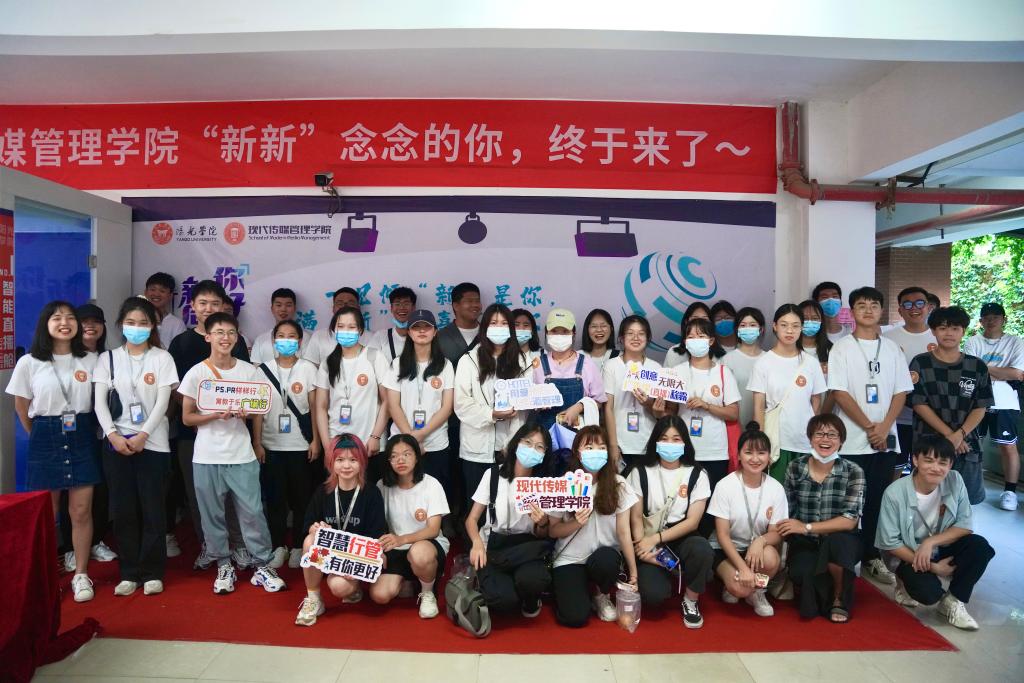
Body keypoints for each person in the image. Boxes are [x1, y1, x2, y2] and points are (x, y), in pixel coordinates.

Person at [178, 311, 286, 595]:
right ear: (208, 337)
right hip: (206, 456)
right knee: (212, 515)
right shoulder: (197, 373)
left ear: (237, 337)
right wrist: (214, 414)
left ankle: (262, 564)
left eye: (230, 333)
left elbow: (259, 410)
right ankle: (223, 564)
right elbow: (187, 417)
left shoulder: (249, 371)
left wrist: (254, 434)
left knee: (253, 512)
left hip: (242, 455)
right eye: (219, 332)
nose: (225, 338)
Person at [6, 301, 100, 602]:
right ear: (45, 325)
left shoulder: (91, 359)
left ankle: (81, 574)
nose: (64, 323)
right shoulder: (30, 362)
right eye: (57, 318)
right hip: (44, 433)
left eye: (70, 318)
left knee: (81, 510)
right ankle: (46, 576)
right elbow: (21, 405)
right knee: (48, 513)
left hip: (82, 432)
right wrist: (38, 434)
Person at [827, 286, 913, 586]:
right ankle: (846, 556)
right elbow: (839, 392)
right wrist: (869, 427)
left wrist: (884, 426)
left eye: (874, 305)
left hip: (885, 440)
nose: (868, 310)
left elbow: (901, 391)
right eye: (861, 305)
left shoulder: (892, 349)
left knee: (877, 499)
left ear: (881, 310)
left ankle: (872, 556)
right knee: (848, 502)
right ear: (852, 311)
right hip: (851, 440)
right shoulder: (841, 348)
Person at [93, 297, 178, 596]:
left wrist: (143, 435)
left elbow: (163, 403)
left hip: (152, 444)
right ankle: (129, 571)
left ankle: (152, 572)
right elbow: (99, 403)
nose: (137, 328)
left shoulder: (162, 358)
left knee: (153, 508)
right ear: (121, 325)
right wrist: (112, 435)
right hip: (116, 444)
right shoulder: (108, 359)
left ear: (153, 326)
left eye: (143, 323)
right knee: (123, 509)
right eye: (131, 322)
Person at [167, 279, 251, 570]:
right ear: (192, 306)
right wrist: (198, 413)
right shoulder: (181, 342)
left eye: (215, 303)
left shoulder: (236, 342)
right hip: (192, 432)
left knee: (233, 496)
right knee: (199, 495)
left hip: (232, 433)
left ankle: (238, 545)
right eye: (203, 303)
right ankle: (211, 546)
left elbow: (247, 387)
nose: (208, 308)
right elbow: (176, 387)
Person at [876, 436, 995, 631]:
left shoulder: (955, 480)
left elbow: (965, 525)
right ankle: (903, 582)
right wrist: (934, 568)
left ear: (950, 465)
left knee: (980, 547)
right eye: (929, 461)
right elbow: (889, 543)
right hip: (909, 552)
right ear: (915, 460)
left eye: (942, 463)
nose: (935, 468)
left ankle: (954, 600)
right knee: (928, 593)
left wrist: (930, 542)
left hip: (941, 546)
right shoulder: (895, 492)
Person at [627, 416, 713, 628]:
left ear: (685, 442)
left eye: (676, 439)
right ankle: (671, 572)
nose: (670, 444)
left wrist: (656, 539)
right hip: (647, 536)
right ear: (655, 442)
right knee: (654, 597)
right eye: (664, 439)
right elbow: (635, 517)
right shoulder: (640, 471)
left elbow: (692, 522)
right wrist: (642, 547)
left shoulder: (697, 474)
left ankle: (691, 600)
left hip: (681, 535)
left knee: (702, 549)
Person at [548, 426, 638, 628]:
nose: (595, 452)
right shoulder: (564, 484)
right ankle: (572, 591)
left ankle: (601, 594)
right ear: (577, 453)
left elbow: (624, 531)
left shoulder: (619, 484)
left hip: (603, 556)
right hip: (570, 558)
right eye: (589, 447)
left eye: (601, 447)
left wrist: (633, 572)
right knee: (575, 618)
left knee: (606, 560)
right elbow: (552, 530)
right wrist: (576, 523)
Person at [779, 414, 865, 623]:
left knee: (838, 545)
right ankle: (825, 586)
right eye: (819, 434)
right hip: (806, 541)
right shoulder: (795, 468)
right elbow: (788, 510)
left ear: (841, 441)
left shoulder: (853, 471)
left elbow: (849, 520)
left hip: (841, 540)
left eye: (832, 435)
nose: (825, 439)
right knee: (802, 574)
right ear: (810, 438)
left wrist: (806, 527)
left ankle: (839, 599)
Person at [295, 434, 387, 626]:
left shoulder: (371, 493)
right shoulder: (323, 491)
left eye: (353, 460)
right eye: (340, 460)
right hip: (330, 555)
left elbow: (377, 539)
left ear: (362, 462)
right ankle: (314, 599)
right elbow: (308, 524)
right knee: (310, 541)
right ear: (331, 462)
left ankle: (355, 586)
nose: (346, 466)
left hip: (357, 556)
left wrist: (355, 565)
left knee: (339, 587)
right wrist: (316, 528)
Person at [252, 319, 320, 569]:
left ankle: (299, 546)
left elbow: (315, 408)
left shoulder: (308, 368)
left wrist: (316, 440)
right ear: (273, 341)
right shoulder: (261, 370)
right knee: (275, 500)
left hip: (301, 446)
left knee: (302, 499)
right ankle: (278, 545)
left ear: (300, 341)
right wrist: (257, 442)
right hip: (271, 446)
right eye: (281, 336)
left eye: (292, 336)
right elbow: (257, 411)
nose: (286, 341)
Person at [465, 424, 553, 618]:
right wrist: (477, 542)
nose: (532, 449)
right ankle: (499, 587)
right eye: (527, 442)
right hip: (494, 545)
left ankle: (530, 598)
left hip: (525, 547)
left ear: (545, 454)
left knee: (534, 581)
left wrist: (542, 522)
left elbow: (543, 533)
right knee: (503, 601)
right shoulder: (493, 475)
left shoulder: (543, 485)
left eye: (539, 447)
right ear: (516, 443)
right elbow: (471, 519)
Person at [908, 306, 993, 505]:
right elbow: (918, 403)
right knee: (926, 503)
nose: (949, 333)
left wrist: (960, 434)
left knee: (963, 503)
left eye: (955, 328)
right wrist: (951, 436)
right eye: (943, 328)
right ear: (933, 331)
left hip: (966, 446)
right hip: (928, 444)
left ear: (964, 331)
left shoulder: (977, 366)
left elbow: (981, 406)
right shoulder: (920, 363)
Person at [453, 303, 529, 509]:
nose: (499, 328)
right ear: (485, 327)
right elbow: (461, 403)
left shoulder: (523, 361)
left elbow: (525, 407)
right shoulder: (469, 360)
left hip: (508, 446)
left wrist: (512, 443)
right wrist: (491, 414)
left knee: (505, 506)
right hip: (476, 448)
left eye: (504, 323)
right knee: (476, 507)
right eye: (494, 323)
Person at [709, 422, 787, 617]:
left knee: (771, 557)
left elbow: (776, 533)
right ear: (738, 455)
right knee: (739, 589)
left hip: (755, 550)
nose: (755, 459)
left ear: (769, 457)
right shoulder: (725, 486)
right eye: (748, 453)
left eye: (761, 453)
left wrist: (760, 541)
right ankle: (735, 585)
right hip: (726, 549)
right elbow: (722, 535)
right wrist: (743, 568)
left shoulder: (776, 488)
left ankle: (758, 592)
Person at [371, 435, 450, 618]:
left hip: (427, 544)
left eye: (407, 454)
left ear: (417, 456)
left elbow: (433, 530)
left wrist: (402, 539)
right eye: (394, 456)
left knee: (419, 554)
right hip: (396, 547)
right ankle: (410, 578)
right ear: (388, 460)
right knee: (379, 595)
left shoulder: (431, 484)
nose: (401, 460)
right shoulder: (382, 486)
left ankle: (428, 593)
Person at [313, 306, 391, 484]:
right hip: (337, 444)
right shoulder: (328, 362)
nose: (345, 331)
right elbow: (321, 407)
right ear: (334, 330)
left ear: (360, 330)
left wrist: (376, 437)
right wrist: (327, 445)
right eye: (341, 326)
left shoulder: (374, 357)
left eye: (351, 327)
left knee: (369, 492)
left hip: (369, 443)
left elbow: (387, 401)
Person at [749, 304, 826, 481]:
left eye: (795, 325)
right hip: (776, 442)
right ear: (775, 326)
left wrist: (815, 437)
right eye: (784, 325)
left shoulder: (811, 363)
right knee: (777, 492)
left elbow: (816, 404)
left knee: (804, 493)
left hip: (805, 441)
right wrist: (761, 444)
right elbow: (758, 408)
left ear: (801, 328)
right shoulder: (763, 363)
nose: (790, 331)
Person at [384, 309, 455, 497]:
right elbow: (393, 405)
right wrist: (411, 439)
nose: (422, 331)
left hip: (435, 443)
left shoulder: (445, 365)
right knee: (402, 495)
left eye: (427, 327)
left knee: (435, 496)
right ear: (409, 332)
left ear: (435, 331)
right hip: (401, 442)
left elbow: (447, 408)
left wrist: (420, 435)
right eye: (416, 327)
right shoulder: (397, 364)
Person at [66, 303, 116, 567]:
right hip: (75, 428)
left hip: (106, 430)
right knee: (73, 493)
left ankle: (95, 541)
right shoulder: (66, 356)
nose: (90, 326)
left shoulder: (109, 358)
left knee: (101, 489)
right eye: (84, 321)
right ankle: (69, 548)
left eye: (96, 322)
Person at [964, 302, 1024, 511]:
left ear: (1004, 319)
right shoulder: (973, 341)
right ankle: (970, 487)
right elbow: (971, 372)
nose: (991, 321)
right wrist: (1002, 372)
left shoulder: (1015, 342)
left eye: (996, 317)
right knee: (971, 445)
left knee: (1008, 446)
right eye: (987, 317)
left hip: (1005, 402)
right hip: (975, 401)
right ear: (981, 321)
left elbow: (1017, 374)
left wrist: (984, 368)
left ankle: (1010, 492)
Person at [670, 318, 740, 490]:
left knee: (714, 501)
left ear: (711, 341)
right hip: (684, 450)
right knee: (684, 498)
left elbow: (733, 413)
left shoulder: (723, 372)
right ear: (685, 341)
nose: (696, 340)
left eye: (701, 336)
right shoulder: (676, 373)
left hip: (716, 452)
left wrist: (707, 406)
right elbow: (669, 413)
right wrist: (655, 408)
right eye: (691, 337)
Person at [884, 287, 937, 475]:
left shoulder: (939, 336)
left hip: (929, 420)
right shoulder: (887, 338)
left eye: (919, 303)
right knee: (892, 469)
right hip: (894, 418)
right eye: (907, 304)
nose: (914, 308)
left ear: (929, 307)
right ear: (900, 310)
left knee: (924, 469)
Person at [603, 315, 666, 466]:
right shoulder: (611, 366)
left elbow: (659, 414)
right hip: (620, 444)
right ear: (621, 338)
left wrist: (648, 403)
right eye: (630, 333)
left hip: (648, 443)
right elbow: (608, 408)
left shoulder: (656, 368)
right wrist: (613, 445)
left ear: (648, 338)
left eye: (641, 333)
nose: (636, 338)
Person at [532, 308, 606, 430]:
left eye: (565, 331)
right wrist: (537, 403)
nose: (559, 336)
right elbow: (529, 398)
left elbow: (599, 401)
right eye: (554, 331)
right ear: (546, 333)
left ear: (573, 333)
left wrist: (579, 407)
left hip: (577, 434)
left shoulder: (587, 364)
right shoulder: (538, 364)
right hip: (545, 434)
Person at [722, 306, 765, 428]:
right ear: (737, 330)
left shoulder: (769, 359)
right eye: (743, 325)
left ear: (761, 329)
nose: (748, 328)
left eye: (752, 325)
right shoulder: (727, 360)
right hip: (734, 425)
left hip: (764, 426)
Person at [302, 287, 366, 367]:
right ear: (333, 308)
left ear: (358, 308)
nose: (345, 306)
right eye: (340, 303)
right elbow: (310, 367)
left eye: (350, 303)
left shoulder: (371, 337)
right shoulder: (319, 336)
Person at [249, 288, 302, 365]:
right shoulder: (260, 340)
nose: (283, 309)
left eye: (288, 305)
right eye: (278, 305)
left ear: (294, 308)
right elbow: (257, 368)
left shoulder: (306, 338)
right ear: (272, 309)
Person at [437, 282, 483, 367]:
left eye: (477, 301)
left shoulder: (489, 333)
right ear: (456, 306)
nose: (475, 305)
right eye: (469, 301)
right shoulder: (440, 337)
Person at [367, 286, 417, 364]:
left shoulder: (423, 335)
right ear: (391, 308)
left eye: (406, 303)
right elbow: (369, 363)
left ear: (413, 307)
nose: (402, 307)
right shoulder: (381, 336)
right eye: (397, 303)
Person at [664, 302, 717, 368]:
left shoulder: (719, 354)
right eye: (695, 319)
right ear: (686, 322)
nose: (699, 323)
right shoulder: (674, 354)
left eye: (704, 320)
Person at [145, 272, 187, 343]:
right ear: (145, 292)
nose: (156, 294)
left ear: (170, 296)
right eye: (152, 289)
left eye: (162, 291)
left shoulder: (177, 324)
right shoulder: (136, 318)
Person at [580, 308, 619, 375]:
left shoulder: (620, 357)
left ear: (611, 329)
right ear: (587, 330)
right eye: (594, 326)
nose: (599, 330)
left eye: (603, 326)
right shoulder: (577, 357)